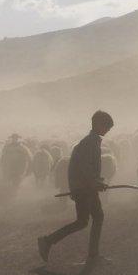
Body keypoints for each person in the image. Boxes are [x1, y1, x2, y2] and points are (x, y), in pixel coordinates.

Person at [38, 110, 114, 265]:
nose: (108, 130)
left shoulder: (92, 142)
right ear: (98, 124)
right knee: (82, 221)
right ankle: (47, 241)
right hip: (83, 189)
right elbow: (84, 169)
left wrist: (98, 182)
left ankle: (93, 255)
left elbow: (89, 169)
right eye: (107, 126)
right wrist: (95, 183)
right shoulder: (88, 143)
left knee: (96, 217)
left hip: (87, 188)